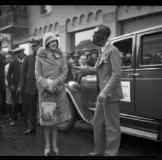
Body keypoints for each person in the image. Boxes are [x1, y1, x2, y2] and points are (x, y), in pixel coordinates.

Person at [74, 25, 123, 156]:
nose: (93, 38)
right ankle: (98, 150)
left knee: (112, 127)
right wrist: (82, 70)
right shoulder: (103, 51)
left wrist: (105, 92)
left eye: (95, 35)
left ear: (103, 37)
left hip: (110, 95)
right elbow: (96, 69)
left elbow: (117, 74)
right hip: (102, 96)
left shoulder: (113, 50)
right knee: (97, 123)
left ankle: (111, 153)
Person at [35, 32, 71, 156]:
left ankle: (54, 144)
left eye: (56, 41)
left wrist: (55, 84)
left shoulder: (61, 55)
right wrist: (47, 86)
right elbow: (38, 75)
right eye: (51, 41)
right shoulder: (40, 56)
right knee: (47, 121)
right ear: (46, 43)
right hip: (47, 93)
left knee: (55, 122)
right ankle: (47, 145)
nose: (54, 43)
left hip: (58, 91)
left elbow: (65, 72)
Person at [18, 37, 41, 135]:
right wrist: (20, 85)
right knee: (31, 109)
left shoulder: (44, 57)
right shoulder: (28, 58)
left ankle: (47, 127)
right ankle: (32, 127)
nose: (34, 47)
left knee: (45, 107)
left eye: (36, 45)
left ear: (40, 46)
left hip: (42, 87)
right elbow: (23, 73)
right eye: (33, 46)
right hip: (30, 87)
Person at [7, 47, 26, 126]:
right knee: (15, 103)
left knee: (25, 103)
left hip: (24, 86)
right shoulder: (13, 63)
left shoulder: (26, 63)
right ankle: (13, 119)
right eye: (19, 53)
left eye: (22, 53)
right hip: (15, 86)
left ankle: (26, 119)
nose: (21, 54)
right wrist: (11, 84)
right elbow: (8, 75)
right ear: (17, 55)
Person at [5, 53, 14, 119]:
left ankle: (15, 114)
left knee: (15, 100)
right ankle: (9, 113)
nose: (8, 59)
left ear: (12, 58)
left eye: (9, 58)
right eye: (7, 58)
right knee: (8, 100)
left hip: (15, 85)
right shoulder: (5, 67)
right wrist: (7, 84)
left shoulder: (16, 65)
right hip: (8, 86)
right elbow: (5, 77)